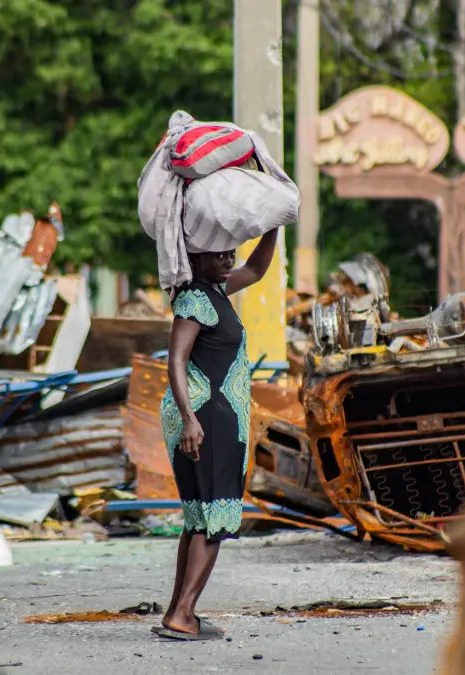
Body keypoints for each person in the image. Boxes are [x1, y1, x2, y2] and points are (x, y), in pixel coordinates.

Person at [152, 227, 280, 641]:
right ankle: (183, 614)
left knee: (197, 516)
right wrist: (190, 419)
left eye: (230, 251)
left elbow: (258, 268)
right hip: (205, 416)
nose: (228, 258)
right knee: (213, 515)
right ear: (195, 259)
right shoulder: (194, 299)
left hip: (210, 415)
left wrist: (272, 223)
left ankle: (178, 611)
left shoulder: (217, 292)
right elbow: (175, 359)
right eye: (218, 253)